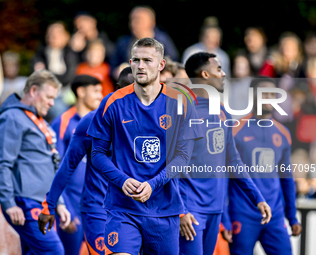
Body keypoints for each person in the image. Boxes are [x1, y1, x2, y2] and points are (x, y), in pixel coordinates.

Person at [87, 37, 202, 254]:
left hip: (164, 209)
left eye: (147, 60)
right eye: (136, 60)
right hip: (123, 208)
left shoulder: (181, 102)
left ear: (161, 65)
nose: (140, 66)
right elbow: (98, 154)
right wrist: (123, 181)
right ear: (130, 63)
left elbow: (183, 157)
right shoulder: (112, 102)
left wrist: (153, 184)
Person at [178, 52, 271, 255]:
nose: (223, 74)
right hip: (191, 211)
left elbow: (233, 161)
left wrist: (258, 197)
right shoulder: (183, 112)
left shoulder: (222, 111)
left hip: (215, 210)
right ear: (204, 75)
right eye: (218, 69)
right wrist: (180, 212)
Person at [0, 69, 71, 255]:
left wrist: (58, 202)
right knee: (54, 251)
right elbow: (2, 164)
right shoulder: (12, 117)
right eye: (49, 97)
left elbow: (50, 166)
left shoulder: (39, 120)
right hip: (26, 203)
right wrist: (9, 203)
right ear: (33, 91)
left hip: (43, 203)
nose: (52, 103)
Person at [221, 76, 302, 255]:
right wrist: (225, 218)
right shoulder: (235, 130)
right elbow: (223, 178)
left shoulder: (283, 133)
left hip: (275, 215)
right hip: (242, 214)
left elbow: (286, 178)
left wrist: (292, 217)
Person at [48, 75, 103, 255]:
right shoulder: (62, 123)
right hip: (72, 208)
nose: (100, 96)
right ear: (80, 92)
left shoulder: (102, 121)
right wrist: (66, 209)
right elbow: (56, 168)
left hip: (97, 207)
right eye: (95, 91)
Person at [110, 6, 179, 79]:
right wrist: (117, 71)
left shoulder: (163, 41)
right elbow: (113, 65)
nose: (133, 24)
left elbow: (173, 64)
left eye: (138, 20)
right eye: (132, 20)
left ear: (152, 22)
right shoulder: (123, 42)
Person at [31, 21, 78, 121]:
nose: (53, 36)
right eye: (50, 33)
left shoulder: (70, 53)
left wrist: (46, 72)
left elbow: (67, 78)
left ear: (66, 36)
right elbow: (35, 76)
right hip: (42, 94)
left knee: (58, 110)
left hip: (64, 95)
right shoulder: (41, 53)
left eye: (58, 33)